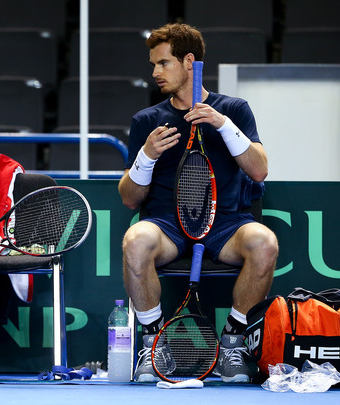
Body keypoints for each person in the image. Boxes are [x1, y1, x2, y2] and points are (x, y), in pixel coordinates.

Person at [118, 24, 279, 383]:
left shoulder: (234, 109)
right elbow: (130, 199)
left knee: (264, 243)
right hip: (166, 224)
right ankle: (154, 343)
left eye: (163, 63)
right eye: (153, 65)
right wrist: (146, 155)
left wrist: (223, 125)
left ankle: (233, 343)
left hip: (226, 224)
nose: (155, 73)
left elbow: (259, 170)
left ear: (189, 61)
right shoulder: (146, 121)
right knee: (135, 240)